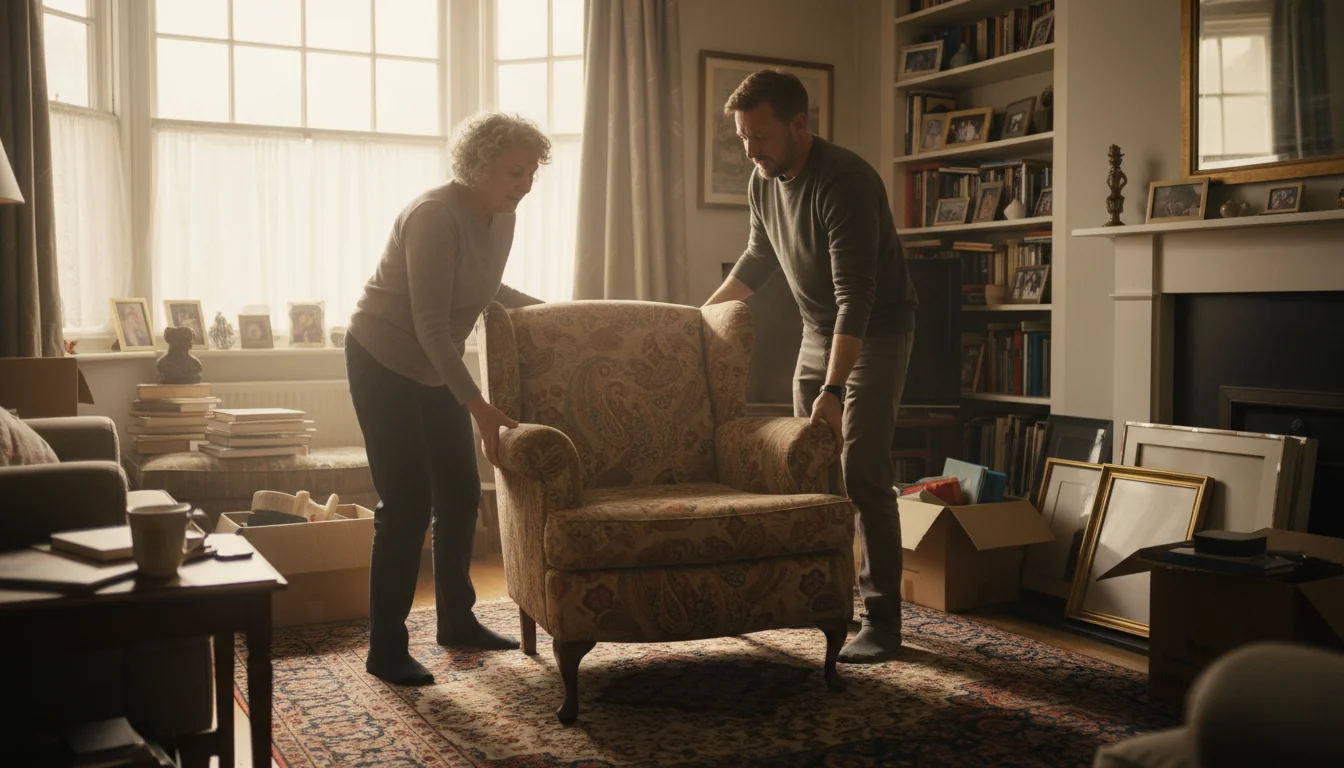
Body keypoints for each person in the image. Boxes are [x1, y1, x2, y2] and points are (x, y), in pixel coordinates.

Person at [703, 70, 919, 663]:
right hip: (818, 330)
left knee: (863, 474)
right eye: (743, 138)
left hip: (872, 331)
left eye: (761, 137)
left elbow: (858, 297)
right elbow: (759, 256)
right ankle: (825, 599)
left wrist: (832, 388)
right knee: (810, 471)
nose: (751, 150)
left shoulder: (843, 179)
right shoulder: (763, 178)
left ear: (800, 124)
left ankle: (883, 621)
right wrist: (698, 317)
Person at [345, 112, 549, 686]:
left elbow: (488, 291)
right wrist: (479, 407)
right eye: (515, 172)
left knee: (460, 494)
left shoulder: (503, 218)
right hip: (382, 359)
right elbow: (432, 326)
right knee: (406, 503)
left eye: (532, 172)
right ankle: (385, 648)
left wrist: (557, 311)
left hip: (435, 367)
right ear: (478, 166)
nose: (525, 184)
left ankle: (457, 620)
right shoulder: (434, 216)